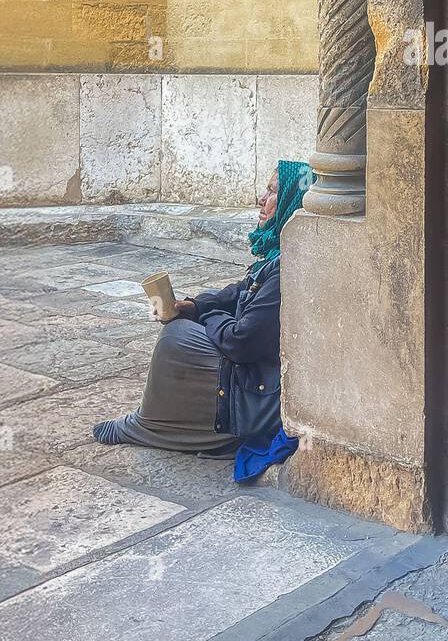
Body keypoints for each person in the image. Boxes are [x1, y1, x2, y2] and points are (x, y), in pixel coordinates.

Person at [92, 160, 312, 467]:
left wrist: (207, 318)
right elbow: (240, 290)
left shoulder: (287, 267)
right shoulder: (277, 256)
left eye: (272, 192)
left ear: (292, 200)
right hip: (258, 372)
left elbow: (241, 341)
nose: (261, 199)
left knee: (176, 337)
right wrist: (195, 307)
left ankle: (146, 428)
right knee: (181, 327)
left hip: (263, 395)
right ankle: (151, 420)